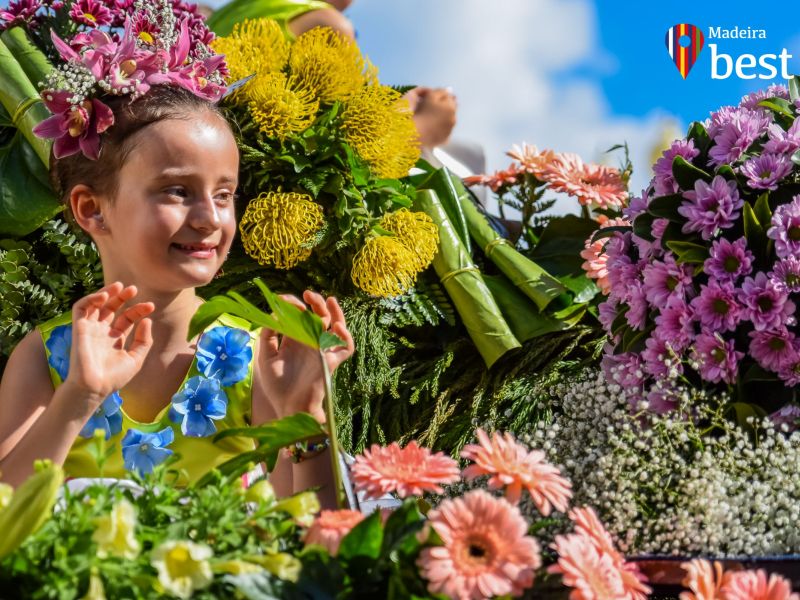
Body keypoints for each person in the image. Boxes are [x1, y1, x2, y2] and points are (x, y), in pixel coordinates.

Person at [0, 83, 354, 507]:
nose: (209, 219)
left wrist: (306, 415)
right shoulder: (46, 357)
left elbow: (316, 542)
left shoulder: (259, 358)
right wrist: (79, 395)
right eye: (177, 191)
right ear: (92, 209)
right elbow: (7, 517)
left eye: (224, 195)